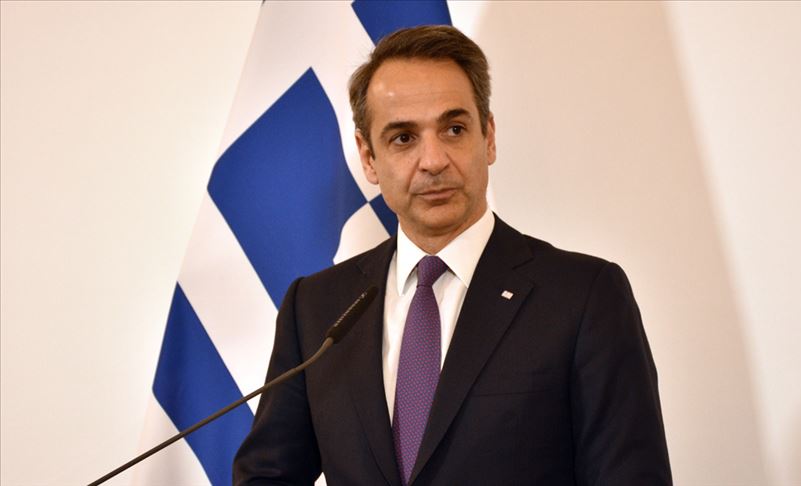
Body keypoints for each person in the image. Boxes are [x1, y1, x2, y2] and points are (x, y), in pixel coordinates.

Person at [233, 25, 672, 485]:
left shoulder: (583, 297)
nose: (434, 160)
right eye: (403, 138)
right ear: (368, 157)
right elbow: (267, 476)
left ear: (489, 137)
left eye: (454, 129)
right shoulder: (316, 308)